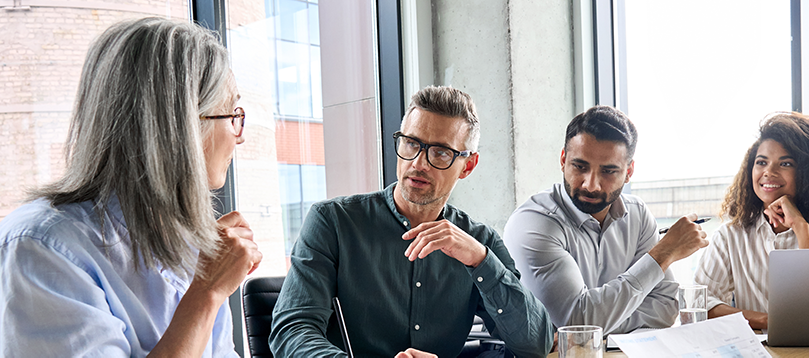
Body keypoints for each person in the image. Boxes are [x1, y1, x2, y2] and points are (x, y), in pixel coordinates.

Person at [0, 18, 262, 356]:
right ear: (182, 127)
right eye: (231, 115)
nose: (239, 135)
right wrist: (206, 293)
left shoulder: (189, 242)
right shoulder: (40, 248)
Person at [269, 86, 553, 358]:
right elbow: (291, 332)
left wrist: (480, 261)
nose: (419, 163)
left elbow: (535, 344)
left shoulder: (480, 242)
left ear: (467, 165)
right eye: (411, 143)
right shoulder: (332, 222)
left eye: (441, 152)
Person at [503, 105, 709, 335]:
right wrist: (662, 254)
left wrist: (600, 324)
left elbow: (666, 307)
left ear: (629, 172)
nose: (591, 184)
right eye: (580, 166)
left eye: (608, 171)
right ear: (563, 159)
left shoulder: (638, 215)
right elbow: (576, 322)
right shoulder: (535, 223)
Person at [694, 112, 809, 330]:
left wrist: (801, 228)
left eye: (785, 164)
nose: (769, 172)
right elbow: (701, 304)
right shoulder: (730, 235)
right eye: (761, 162)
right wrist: (768, 321)